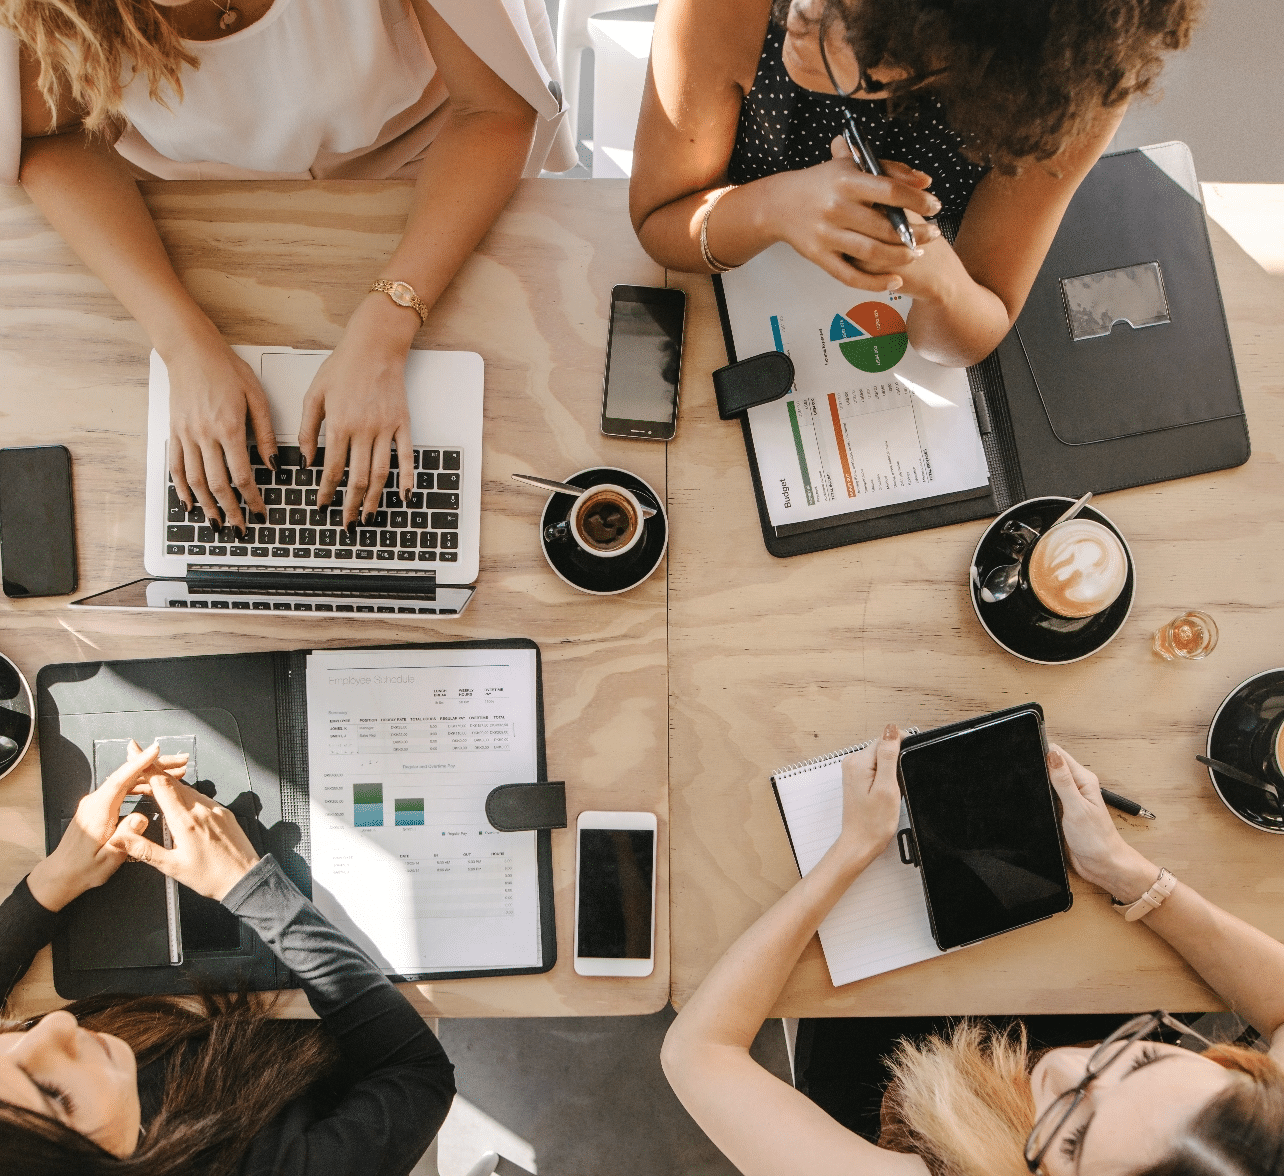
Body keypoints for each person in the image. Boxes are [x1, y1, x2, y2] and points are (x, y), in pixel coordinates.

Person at [1, 0, 573, 532]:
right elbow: (52, 135)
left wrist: (385, 328)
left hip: (432, 169)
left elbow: (494, 109)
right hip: (202, 204)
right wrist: (181, 341)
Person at [662, 725, 1284, 1176]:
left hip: (881, 1053)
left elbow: (699, 1054)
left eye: (1073, 1143)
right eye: (1143, 1063)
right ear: (1235, 1066)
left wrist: (850, 851)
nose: (1066, 1067)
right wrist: (1124, 871)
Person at [630, 0, 1199, 368]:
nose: (800, 15)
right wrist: (773, 208)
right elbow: (659, 223)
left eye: (854, 27)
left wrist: (939, 278)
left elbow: (977, 322)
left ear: (975, 64)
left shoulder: (1060, 92)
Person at [0, 739, 454, 1173]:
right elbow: (418, 1073)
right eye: (53, 1094)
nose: (56, 1024)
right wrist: (249, 887)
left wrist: (55, 881)